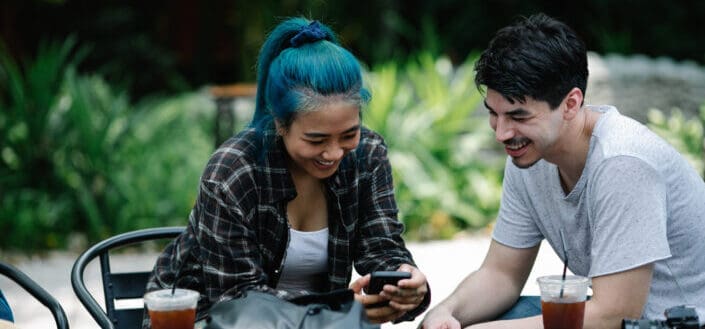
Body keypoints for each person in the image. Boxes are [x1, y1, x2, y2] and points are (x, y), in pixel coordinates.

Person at [420, 13, 705, 329]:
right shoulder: (529, 154)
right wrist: (446, 314)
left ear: (571, 104)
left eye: (518, 116)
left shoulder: (623, 163)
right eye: (493, 114)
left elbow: (614, 315)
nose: (501, 133)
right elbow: (500, 274)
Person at [143, 17, 430, 328]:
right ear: (280, 124)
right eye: (316, 139)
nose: (334, 153)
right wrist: (339, 310)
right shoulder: (233, 172)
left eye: (349, 134)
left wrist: (405, 281)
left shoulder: (367, 155)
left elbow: (381, 246)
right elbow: (237, 299)